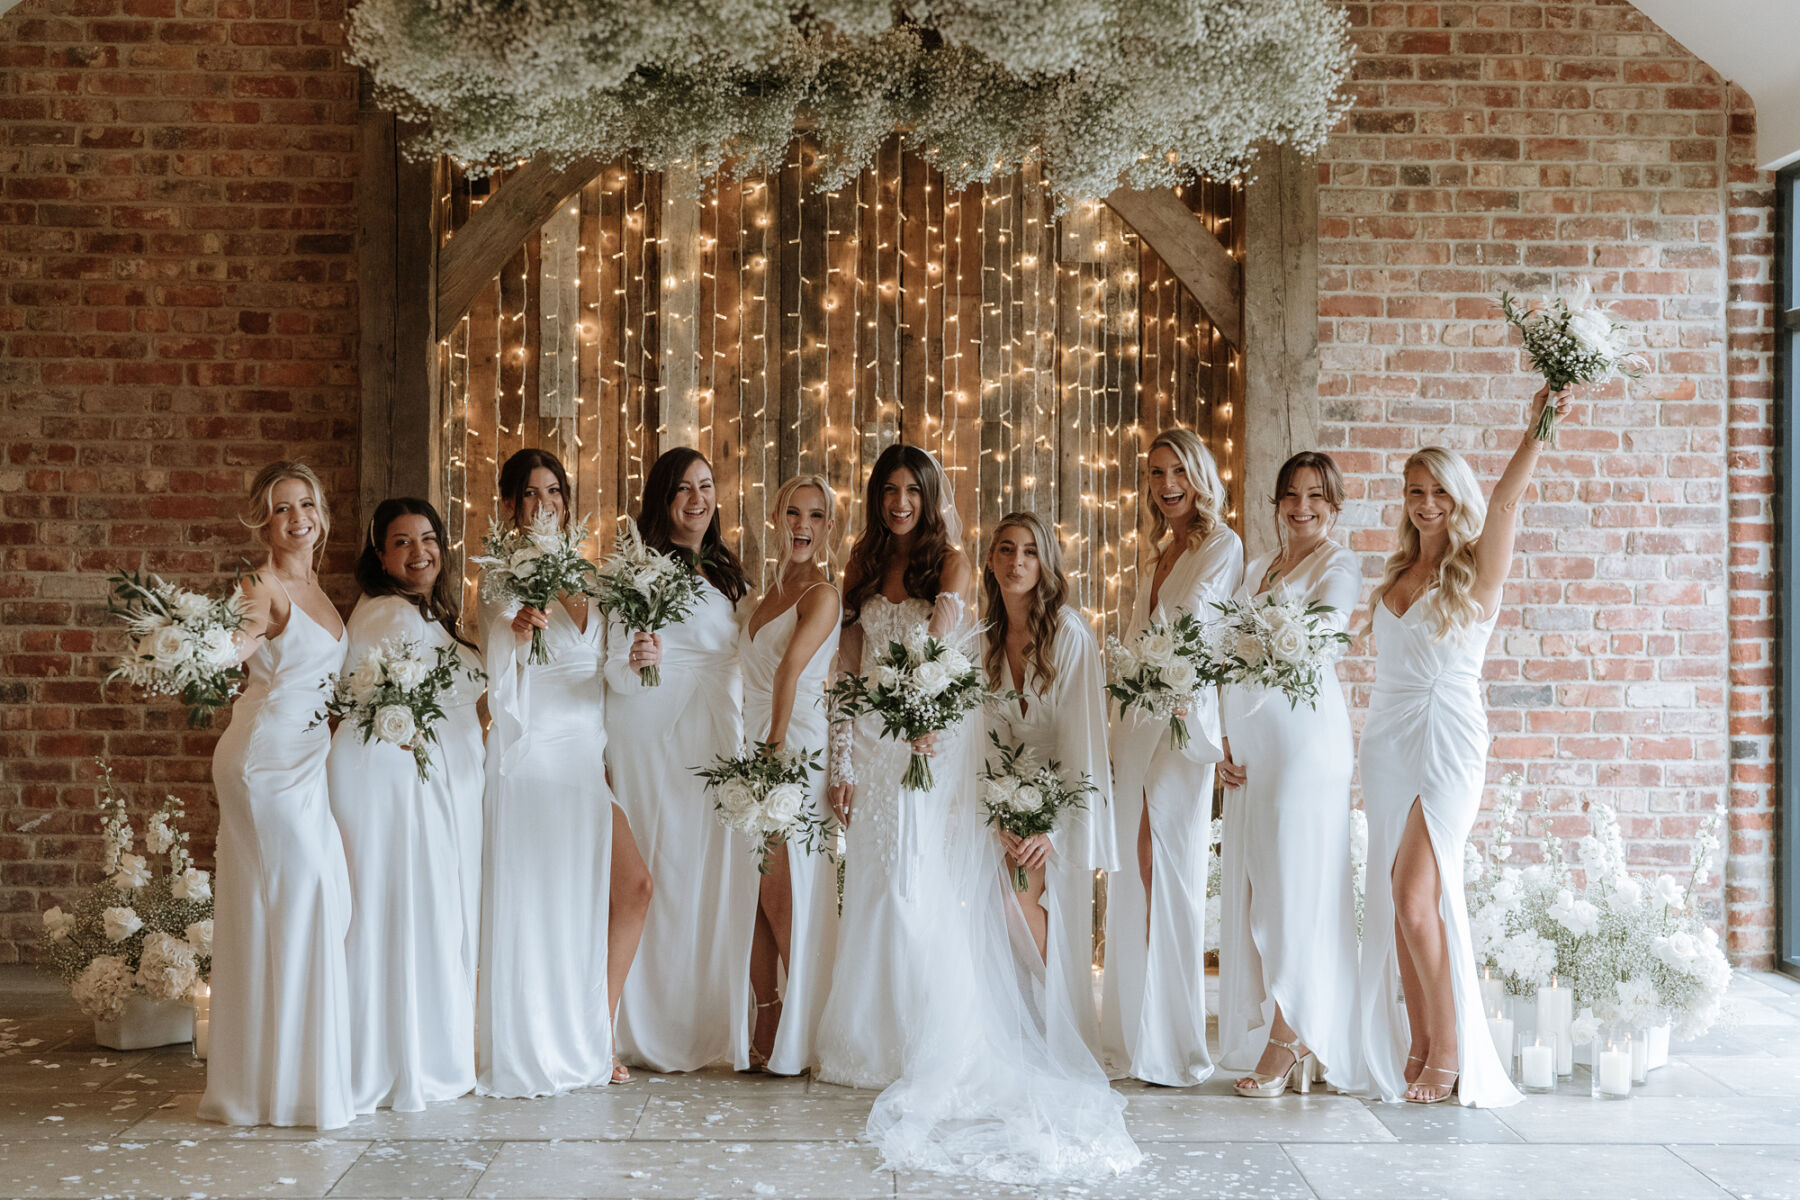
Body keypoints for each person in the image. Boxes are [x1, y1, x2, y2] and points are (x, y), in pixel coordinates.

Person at [820, 444, 1140, 1187]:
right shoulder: (862, 567)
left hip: (925, 746)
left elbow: (939, 668)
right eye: (889, 489)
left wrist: (927, 723)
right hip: (873, 746)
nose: (900, 501)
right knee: (872, 888)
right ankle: (864, 1040)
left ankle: (972, 1034)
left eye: (912, 489)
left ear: (931, 497)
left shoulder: (955, 565)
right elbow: (847, 665)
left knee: (920, 892)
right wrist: (841, 757)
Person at [1357, 386, 1570, 1107]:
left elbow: (1507, 505)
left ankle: (1448, 1050)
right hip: (1386, 738)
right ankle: (1418, 1041)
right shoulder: (1395, 575)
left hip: (1447, 737)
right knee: (1394, 899)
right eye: (1416, 491)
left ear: (1458, 496)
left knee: (1419, 897)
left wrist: (1534, 427)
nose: (1426, 504)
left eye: (1440, 492)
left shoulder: (1478, 567)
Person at [477, 449, 643, 1095]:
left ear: (566, 503)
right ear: (512, 507)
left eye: (553, 491)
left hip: (585, 762)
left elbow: (611, 678)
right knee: (545, 908)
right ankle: (550, 1044)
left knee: (634, 889)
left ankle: (592, 1035)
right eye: (529, 493)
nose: (543, 502)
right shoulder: (500, 580)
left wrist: (638, 659)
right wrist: (512, 636)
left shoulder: (591, 579)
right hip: (534, 761)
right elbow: (496, 673)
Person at [201, 461, 354, 1129]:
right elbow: (223, 654)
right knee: (295, 905)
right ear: (262, 518)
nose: (298, 519)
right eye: (282, 508)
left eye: (306, 505)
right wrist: (187, 645)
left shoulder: (313, 583)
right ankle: (279, 1089)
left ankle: (290, 1082)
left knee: (313, 904)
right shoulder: (259, 586)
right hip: (263, 764)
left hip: (306, 761)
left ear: (320, 513)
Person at [1216, 453, 1366, 1098]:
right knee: (1258, 882)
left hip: (1306, 743)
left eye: (1316, 496)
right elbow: (1222, 653)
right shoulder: (1255, 569)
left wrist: (1260, 639)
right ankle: (1286, 1019)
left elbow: (1318, 642)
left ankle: (1293, 1032)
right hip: (1253, 746)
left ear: (1334, 505)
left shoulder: (1340, 565)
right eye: (1291, 495)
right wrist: (1221, 735)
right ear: (1277, 501)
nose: (1301, 507)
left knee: (1294, 885)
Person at [328, 497, 485, 1113]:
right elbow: (384, 703)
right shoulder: (392, 616)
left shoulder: (421, 612)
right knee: (404, 913)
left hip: (420, 779)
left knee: (407, 914)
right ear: (379, 554)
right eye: (401, 542)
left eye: (428, 538)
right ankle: (398, 1061)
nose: (419, 552)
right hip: (397, 784)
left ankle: (405, 1051)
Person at [1100, 428, 1244, 1086]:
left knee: (1171, 869)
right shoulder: (1155, 553)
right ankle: (1138, 1029)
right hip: (1136, 722)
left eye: (1177, 470)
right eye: (1156, 473)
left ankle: (1177, 1039)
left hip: (1182, 722)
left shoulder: (1222, 546)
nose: (1165, 485)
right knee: (1135, 868)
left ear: (1200, 474)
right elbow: (1137, 641)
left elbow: (1196, 637)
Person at [606, 447, 753, 1073]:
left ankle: (703, 1022)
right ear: (662, 499)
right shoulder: (633, 568)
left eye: (707, 485)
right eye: (684, 488)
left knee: (705, 876)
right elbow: (607, 660)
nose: (699, 499)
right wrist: (631, 659)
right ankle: (637, 1024)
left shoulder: (726, 571)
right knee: (655, 870)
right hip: (650, 730)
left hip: (713, 735)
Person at [980, 511, 1116, 1059]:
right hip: (1002, 795)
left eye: (1030, 552)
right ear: (990, 560)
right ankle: (1011, 1023)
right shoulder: (984, 639)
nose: (1017, 562)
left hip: (1061, 795)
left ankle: (1046, 1025)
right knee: (989, 904)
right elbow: (984, 737)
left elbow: (1083, 741)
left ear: (1046, 564)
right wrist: (997, 807)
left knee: (1015, 903)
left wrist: (1054, 827)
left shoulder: (1068, 633)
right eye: (1007, 549)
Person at [737, 474, 842, 1075]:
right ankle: (766, 1011)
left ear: (828, 527)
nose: (803, 525)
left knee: (783, 891)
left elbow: (790, 675)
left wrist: (772, 756)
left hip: (791, 749)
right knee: (751, 890)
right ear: (776, 518)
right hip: (751, 742)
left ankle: (800, 1027)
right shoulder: (762, 595)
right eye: (793, 512)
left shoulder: (822, 594)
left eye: (816, 516)